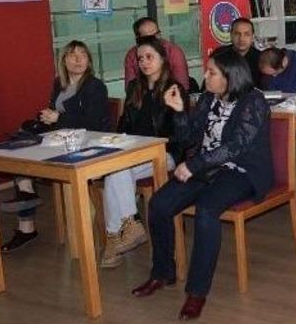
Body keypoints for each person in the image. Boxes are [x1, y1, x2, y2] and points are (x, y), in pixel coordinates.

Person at [131, 48, 272, 320]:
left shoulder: (254, 101)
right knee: (159, 204)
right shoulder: (209, 98)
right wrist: (181, 111)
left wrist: (194, 165)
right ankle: (162, 273)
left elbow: (236, 146)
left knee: (207, 210)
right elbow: (188, 137)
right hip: (206, 168)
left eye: (212, 72)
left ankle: (196, 292)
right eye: (207, 70)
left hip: (241, 171)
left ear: (230, 76)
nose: (205, 76)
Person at [0, 41, 110, 253]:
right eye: (72, 55)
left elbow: (93, 123)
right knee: (20, 142)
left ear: (89, 60)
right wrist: (46, 117)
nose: (78, 60)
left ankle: (26, 209)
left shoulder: (95, 86)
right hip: (60, 140)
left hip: (85, 144)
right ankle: (26, 214)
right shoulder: (59, 84)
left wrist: (59, 117)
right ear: (64, 60)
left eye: (83, 55)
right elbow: (55, 115)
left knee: (25, 156)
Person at [100, 36, 187, 268]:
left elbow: (181, 133)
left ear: (162, 59)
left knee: (117, 169)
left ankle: (117, 237)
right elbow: (124, 123)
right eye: (140, 59)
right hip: (134, 153)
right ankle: (127, 228)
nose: (145, 62)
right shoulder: (134, 88)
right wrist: (117, 140)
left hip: (164, 153)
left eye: (150, 57)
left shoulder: (174, 89)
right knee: (114, 170)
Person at [123, 17, 190, 92]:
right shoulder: (132, 56)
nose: (156, 38)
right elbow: (130, 90)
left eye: (158, 34)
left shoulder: (173, 51)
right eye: (150, 37)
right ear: (138, 39)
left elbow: (183, 87)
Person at [217, 18, 261, 88]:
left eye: (247, 34)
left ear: (252, 37)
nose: (241, 39)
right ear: (231, 35)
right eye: (237, 34)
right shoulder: (219, 55)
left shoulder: (261, 59)